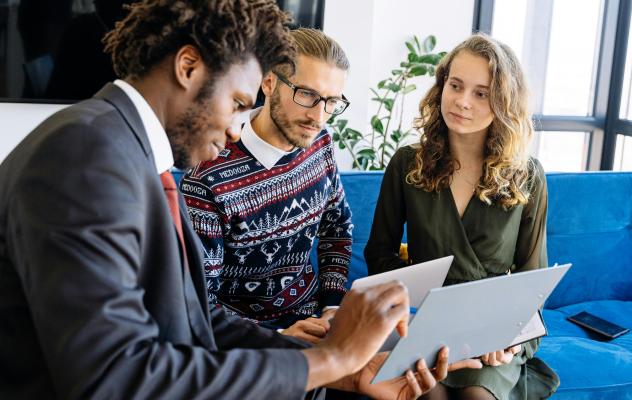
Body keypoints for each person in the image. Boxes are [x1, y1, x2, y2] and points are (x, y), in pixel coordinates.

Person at [0, 1, 480, 399]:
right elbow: (115, 377)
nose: (236, 127)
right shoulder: (85, 157)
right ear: (188, 68)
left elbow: (196, 320)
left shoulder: (121, 150)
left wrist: (341, 371)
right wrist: (330, 359)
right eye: (236, 103)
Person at [364, 34, 560, 400]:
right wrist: (410, 316)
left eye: (481, 93)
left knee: (477, 396)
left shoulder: (527, 174)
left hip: (493, 329)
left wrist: (509, 339)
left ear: (503, 102)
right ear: (442, 86)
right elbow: (379, 255)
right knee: (427, 393)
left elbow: (532, 277)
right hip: (426, 324)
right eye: (455, 86)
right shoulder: (408, 164)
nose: (462, 102)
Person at [181, 27, 352, 344]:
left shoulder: (320, 143)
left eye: (331, 102)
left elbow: (337, 228)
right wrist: (279, 336)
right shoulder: (208, 178)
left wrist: (332, 306)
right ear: (269, 82)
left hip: (315, 325)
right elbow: (199, 301)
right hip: (248, 344)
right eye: (307, 95)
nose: (319, 115)